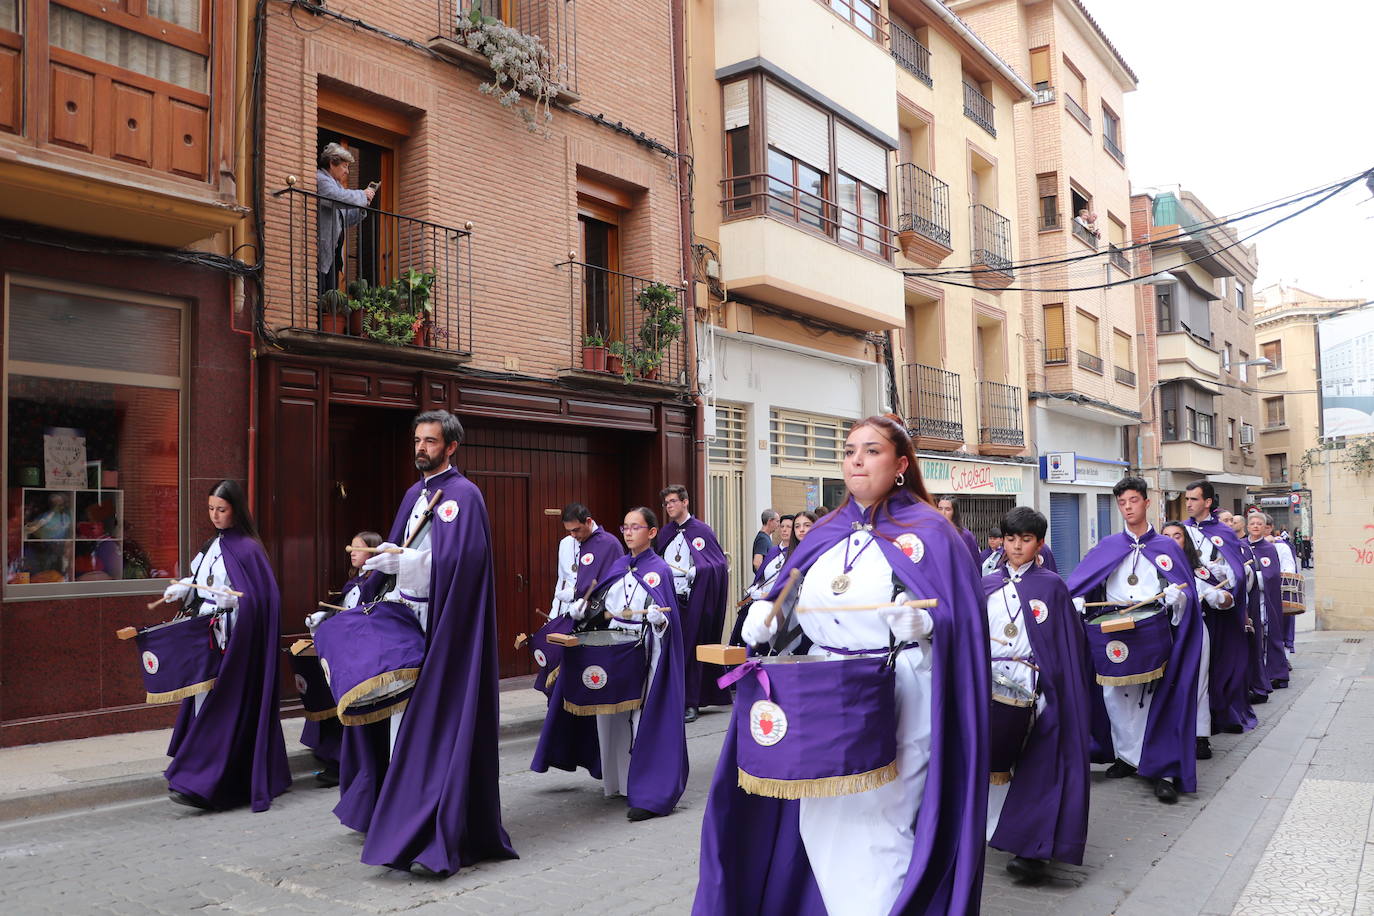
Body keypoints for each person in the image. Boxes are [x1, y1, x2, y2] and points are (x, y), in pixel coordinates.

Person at [695, 415, 989, 916]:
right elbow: (787, 590)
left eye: (871, 450)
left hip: (897, 690)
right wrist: (768, 615)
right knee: (819, 820)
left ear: (900, 464)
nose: (856, 459)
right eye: (850, 450)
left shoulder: (933, 532)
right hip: (820, 692)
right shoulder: (825, 532)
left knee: (880, 824)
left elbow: (962, 621)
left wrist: (931, 629)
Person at [352, 409, 516, 876]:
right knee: (398, 729)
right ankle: (400, 824)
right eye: (418, 440)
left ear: (451, 447)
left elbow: (462, 564)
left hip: (443, 627)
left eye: (430, 441)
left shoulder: (464, 496)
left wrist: (404, 563)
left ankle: (436, 833)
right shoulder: (413, 494)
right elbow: (397, 548)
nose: (421, 447)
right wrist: (370, 581)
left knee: (434, 730)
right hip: (404, 622)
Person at [531, 507, 687, 821]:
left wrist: (659, 622)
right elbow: (603, 607)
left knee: (641, 719)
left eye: (636, 527)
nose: (629, 533)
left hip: (646, 652)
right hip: (614, 651)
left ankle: (648, 788)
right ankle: (618, 782)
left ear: (652, 532)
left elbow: (669, 623)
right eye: (625, 527)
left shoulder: (660, 570)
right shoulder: (619, 565)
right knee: (610, 716)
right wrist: (583, 610)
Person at [1066, 477, 1201, 805]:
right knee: (1116, 696)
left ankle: (1162, 768)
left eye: (1133, 501)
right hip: (1112, 625)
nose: (1127, 508)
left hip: (1152, 626)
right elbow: (1083, 583)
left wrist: (1175, 598)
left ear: (1146, 502)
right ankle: (1128, 757)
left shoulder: (1167, 547)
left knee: (1156, 697)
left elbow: (1187, 593)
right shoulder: (1109, 546)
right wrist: (1077, 602)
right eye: (1122, 503)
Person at [161, 480, 290, 812]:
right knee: (202, 702)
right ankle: (200, 773)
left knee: (221, 706)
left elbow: (263, 598)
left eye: (221, 510)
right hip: (204, 632)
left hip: (233, 638)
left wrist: (230, 603)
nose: (215, 516)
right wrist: (183, 589)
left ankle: (203, 780)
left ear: (236, 509)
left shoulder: (248, 548)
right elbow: (199, 582)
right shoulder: (211, 545)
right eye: (210, 509)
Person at [983, 507, 1091, 884]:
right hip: (992, 682)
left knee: (1040, 764)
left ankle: (1032, 848)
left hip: (1037, 684)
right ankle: (995, 830)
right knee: (994, 761)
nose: (1016, 546)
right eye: (1011, 539)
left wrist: (1054, 683)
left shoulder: (1051, 586)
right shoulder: (986, 585)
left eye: (1025, 539)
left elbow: (1068, 644)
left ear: (1039, 543)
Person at [303, 530, 385, 788]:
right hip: (342, 648)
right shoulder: (355, 582)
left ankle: (343, 763)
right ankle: (331, 755)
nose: (352, 552)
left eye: (358, 548)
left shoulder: (379, 583)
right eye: (351, 547)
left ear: (373, 552)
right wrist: (322, 618)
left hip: (360, 655)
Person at [1183, 480, 1256, 734]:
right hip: (1192, 608)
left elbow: (1237, 569)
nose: (1189, 503)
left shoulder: (1223, 532)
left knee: (1223, 661)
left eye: (1194, 499)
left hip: (1220, 609)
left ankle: (1224, 711)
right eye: (1187, 499)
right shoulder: (1181, 531)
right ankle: (1199, 720)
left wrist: (1221, 576)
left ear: (1208, 502)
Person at [655, 485, 731, 722]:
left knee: (691, 651)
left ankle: (691, 702)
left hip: (692, 599)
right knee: (668, 652)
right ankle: (669, 700)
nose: (669, 506)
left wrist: (697, 570)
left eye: (673, 501)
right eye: (666, 503)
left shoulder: (702, 531)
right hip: (668, 600)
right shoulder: (665, 533)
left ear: (685, 502)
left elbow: (719, 565)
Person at [1161, 521, 1233, 760]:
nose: (1172, 541)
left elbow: (1227, 601)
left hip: (1193, 631)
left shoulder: (1197, 570)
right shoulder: (1151, 570)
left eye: (1178, 536)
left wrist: (1217, 595)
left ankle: (1200, 736)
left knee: (1198, 682)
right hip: (1158, 633)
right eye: (1166, 536)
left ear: (1186, 541)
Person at [316, 142, 375, 300]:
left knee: (329, 295)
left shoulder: (337, 186)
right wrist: (362, 195)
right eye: (344, 166)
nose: (347, 172)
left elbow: (346, 219)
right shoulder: (321, 179)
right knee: (321, 293)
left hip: (332, 252)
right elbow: (336, 197)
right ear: (332, 163)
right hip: (320, 251)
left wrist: (363, 207)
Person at [1246, 512, 1289, 690]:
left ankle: (1275, 673)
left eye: (1259, 524)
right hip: (1248, 599)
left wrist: (1253, 576)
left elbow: (1271, 574)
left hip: (1265, 598)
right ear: (1248, 526)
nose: (1255, 526)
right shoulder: (1240, 546)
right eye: (1252, 523)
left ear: (1265, 528)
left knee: (1267, 634)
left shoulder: (1269, 548)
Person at [1268, 521, 1301, 655]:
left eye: (1261, 524)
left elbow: (1288, 568)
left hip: (1278, 589)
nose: (1256, 527)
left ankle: (1283, 655)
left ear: (1269, 528)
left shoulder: (1280, 546)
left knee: (1281, 623)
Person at [937, 495, 982, 564]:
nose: (943, 513)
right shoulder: (932, 534)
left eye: (947, 509)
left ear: (955, 512)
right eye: (940, 509)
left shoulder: (965, 536)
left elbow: (975, 563)